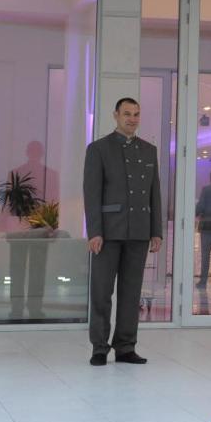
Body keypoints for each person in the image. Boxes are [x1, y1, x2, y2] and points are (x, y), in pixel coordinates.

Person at [83, 97, 162, 366]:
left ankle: (126, 347)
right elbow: (91, 194)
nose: (132, 119)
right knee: (102, 292)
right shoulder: (98, 149)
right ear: (116, 115)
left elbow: (154, 193)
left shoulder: (149, 150)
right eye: (127, 114)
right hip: (107, 232)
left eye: (136, 114)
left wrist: (156, 231)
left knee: (131, 294)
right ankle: (99, 347)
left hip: (139, 231)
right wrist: (94, 232)